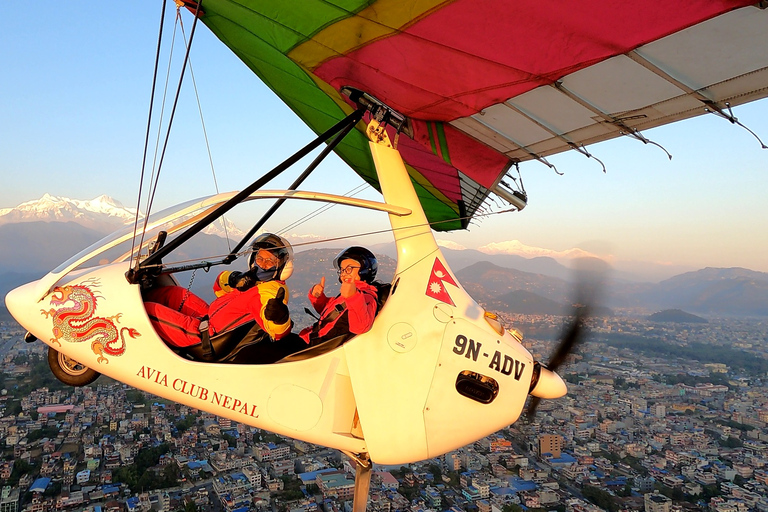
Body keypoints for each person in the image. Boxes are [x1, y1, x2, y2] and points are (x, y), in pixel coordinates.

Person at [144, 233, 294, 351]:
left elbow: (277, 331)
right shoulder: (253, 281)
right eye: (260, 258)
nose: (262, 264)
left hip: (205, 336)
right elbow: (218, 289)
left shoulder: (271, 291)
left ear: (282, 267)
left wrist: (279, 317)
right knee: (175, 294)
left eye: (270, 261)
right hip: (209, 316)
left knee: (147, 311)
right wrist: (234, 278)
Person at [297, 246, 380, 347]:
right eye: (342, 270)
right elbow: (332, 313)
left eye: (349, 269)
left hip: (318, 347)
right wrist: (318, 298)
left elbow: (361, 327)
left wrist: (353, 297)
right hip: (313, 340)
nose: (344, 273)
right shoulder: (350, 293)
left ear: (364, 270)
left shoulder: (366, 297)